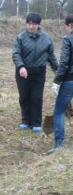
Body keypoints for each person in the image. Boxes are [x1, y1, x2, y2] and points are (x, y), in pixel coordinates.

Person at [12, 12, 58, 133]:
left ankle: (36, 122)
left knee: (36, 97)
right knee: (24, 97)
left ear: (38, 25)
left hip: (39, 72)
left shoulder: (46, 38)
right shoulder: (20, 38)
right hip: (23, 72)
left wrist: (58, 71)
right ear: (26, 24)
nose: (31, 26)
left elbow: (51, 55)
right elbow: (16, 54)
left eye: (34, 24)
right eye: (29, 23)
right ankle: (26, 120)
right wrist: (21, 67)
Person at [48, 14, 73, 155]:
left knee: (59, 111)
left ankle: (59, 144)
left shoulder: (68, 40)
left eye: (66, 25)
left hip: (70, 80)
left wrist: (56, 82)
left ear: (70, 25)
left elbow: (63, 63)